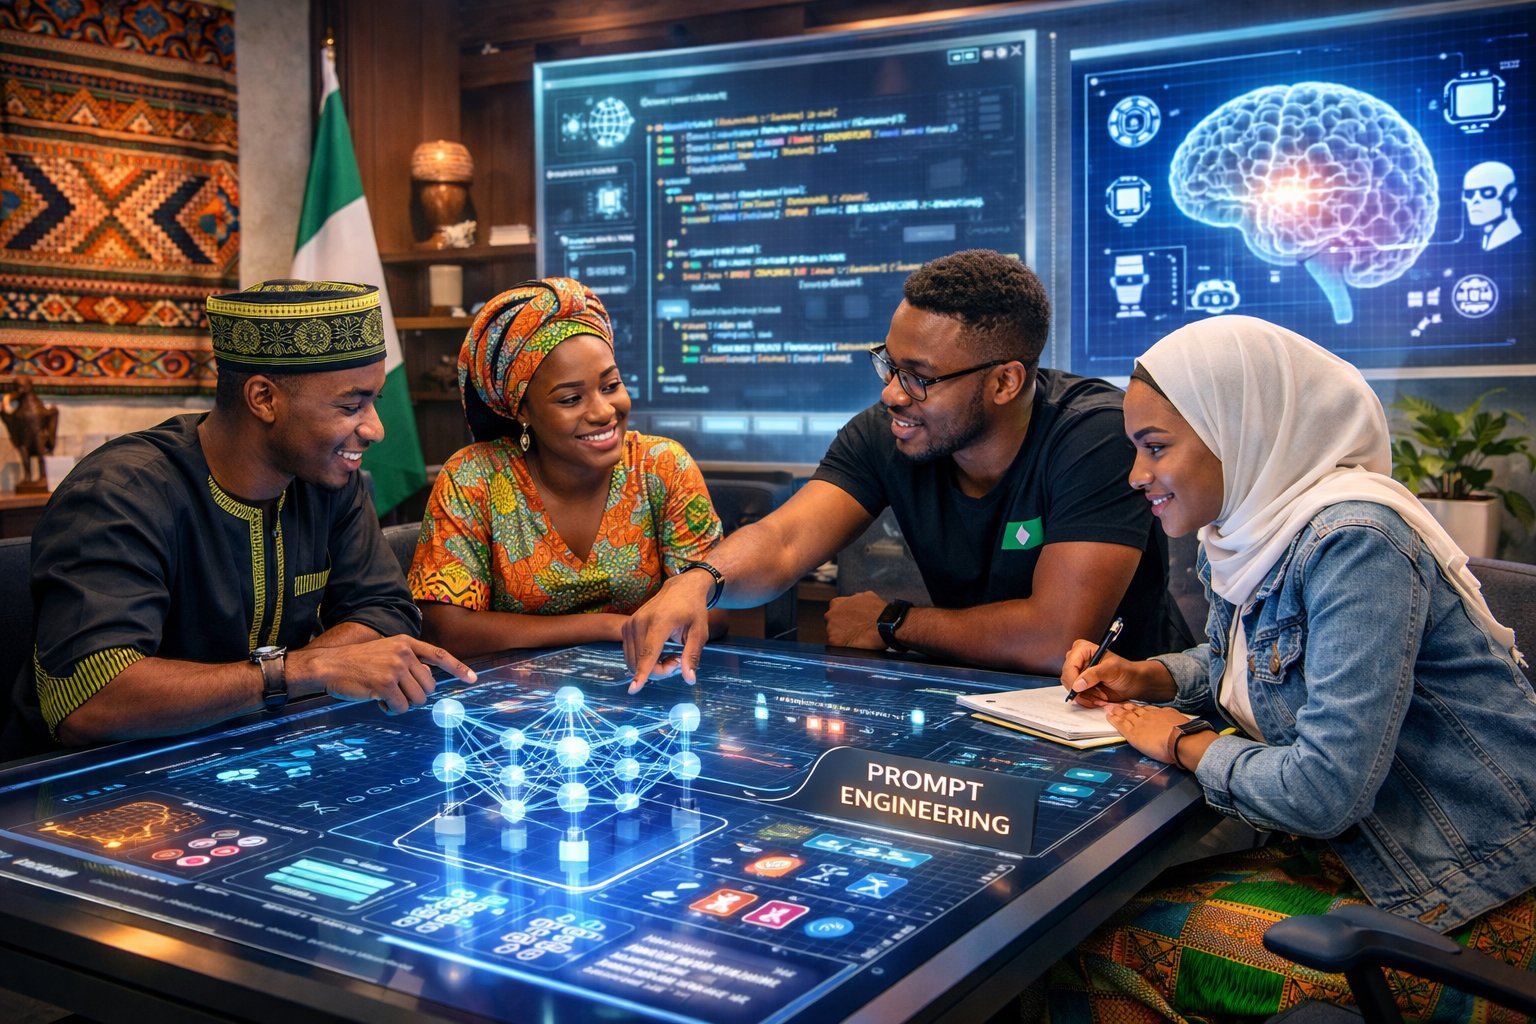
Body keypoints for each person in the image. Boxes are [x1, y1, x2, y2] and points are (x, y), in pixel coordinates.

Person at [1049, 315, 1536, 1021]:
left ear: (1238, 428)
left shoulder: (1354, 543)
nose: (1136, 475)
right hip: (1373, 866)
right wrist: (1149, 679)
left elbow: (1322, 792)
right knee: (1090, 916)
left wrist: (1181, 740)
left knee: (1089, 948)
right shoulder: (1255, 532)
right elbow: (1250, 661)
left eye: (1155, 447)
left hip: (1474, 904)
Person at [624, 248, 1190, 692]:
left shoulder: (1096, 435)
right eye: (890, 365)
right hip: (968, 695)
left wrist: (895, 622)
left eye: (919, 375)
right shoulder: (891, 431)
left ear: (1004, 382)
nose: (893, 393)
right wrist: (699, 581)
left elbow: (1055, 637)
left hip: (1117, 717)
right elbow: (785, 539)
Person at [2, 281, 476, 758]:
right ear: (263, 398)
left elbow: (385, 610)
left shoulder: (330, 478)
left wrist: (295, 671)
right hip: (82, 790)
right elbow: (90, 700)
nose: (375, 429)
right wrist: (299, 673)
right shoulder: (117, 495)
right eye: (351, 406)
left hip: (251, 756)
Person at [407, 277, 723, 658]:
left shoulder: (662, 467)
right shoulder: (475, 478)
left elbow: (715, 609)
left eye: (610, 386)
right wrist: (611, 627)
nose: (603, 412)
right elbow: (445, 629)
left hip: (647, 690)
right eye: (571, 398)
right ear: (521, 409)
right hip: (511, 704)